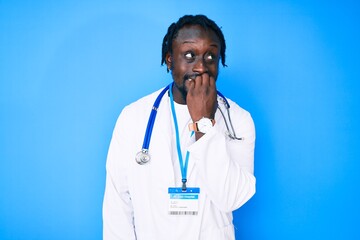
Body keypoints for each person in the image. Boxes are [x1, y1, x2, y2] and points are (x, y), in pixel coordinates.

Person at [103, 14, 256, 240]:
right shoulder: (133, 117)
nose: (201, 67)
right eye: (189, 55)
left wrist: (204, 122)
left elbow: (231, 198)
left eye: (211, 56)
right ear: (169, 60)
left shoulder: (238, 120)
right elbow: (118, 203)